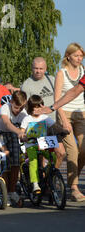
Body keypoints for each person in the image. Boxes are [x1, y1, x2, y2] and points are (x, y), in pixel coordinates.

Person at [52, 43, 85, 201]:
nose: (79, 58)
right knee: (72, 150)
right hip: (64, 113)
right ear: (68, 56)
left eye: (81, 56)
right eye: (76, 55)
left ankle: (72, 180)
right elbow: (57, 99)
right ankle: (73, 188)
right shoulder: (61, 73)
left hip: (81, 113)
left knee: (84, 150)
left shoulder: (83, 71)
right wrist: (64, 120)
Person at [20, 95, 67, 194]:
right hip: (31, 144)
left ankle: (48, 173)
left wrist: (63, 130)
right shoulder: (27, 119)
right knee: (33, 162)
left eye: (38, 107)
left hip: (43, 143)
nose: (36, 109)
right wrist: (23, 136)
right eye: (34, 107)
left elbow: (54, 126)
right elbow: (22, 131)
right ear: (30, 107)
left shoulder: (45, 117)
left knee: (53, 157)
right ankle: (35, 183)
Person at [0, 90, 28, 205]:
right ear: (11, 102)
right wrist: (19, 133)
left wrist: (25, 134)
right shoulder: (4, 108)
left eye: (21, 108)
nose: (18, 111)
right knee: (4, 163)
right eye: (16, 107)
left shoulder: (23, 112)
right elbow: (7, 123)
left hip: (12, 133)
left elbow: (27, 124)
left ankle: (12, 191)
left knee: (16, 163)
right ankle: (4, 191)